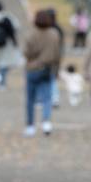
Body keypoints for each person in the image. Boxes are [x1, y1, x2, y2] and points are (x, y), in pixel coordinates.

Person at [23, 9, 62, 137]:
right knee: (47, 97)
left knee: (30, 99)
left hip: (32, 69)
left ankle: (30, 126)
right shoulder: (54, 34)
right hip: (47, 68)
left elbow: (26, 53)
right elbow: (57, 54)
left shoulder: (31, 34)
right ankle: (46, 122)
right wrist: (56, 70)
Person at [0, 0, 21, 89]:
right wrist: (15, 43)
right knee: (3, 64)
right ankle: (2, 83)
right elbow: (15, 29)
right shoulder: (8, 17)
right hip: (6, 45)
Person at [46, 8, 64, 108]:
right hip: (54, 57)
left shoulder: (45, 28)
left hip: (47, 58)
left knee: (50, 79)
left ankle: (52, 98)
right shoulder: (58, 29)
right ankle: (54, 98)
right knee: (52, 78)